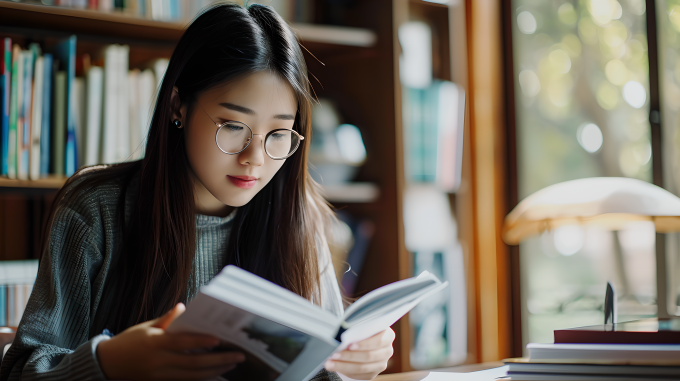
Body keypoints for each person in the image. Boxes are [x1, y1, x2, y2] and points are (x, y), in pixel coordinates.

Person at [0, 3, 395, 380]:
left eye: (278, 134)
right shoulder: (96, 208)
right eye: (233, 126)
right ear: (178, 107)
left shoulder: (300, 217)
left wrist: (350, 367)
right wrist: (110, 362)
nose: (255, 158)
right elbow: (22, 372)